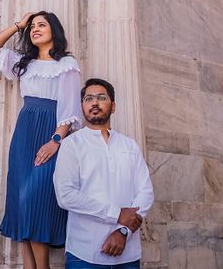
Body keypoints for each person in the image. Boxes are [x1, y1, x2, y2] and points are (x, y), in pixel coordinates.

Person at [0, 11, 83, 269]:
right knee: (21, 202)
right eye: (32, 27)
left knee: (36, 199)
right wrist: (19, 24)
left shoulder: (67, 64)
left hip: (50, 133)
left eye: (42, 25)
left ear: (55, 31)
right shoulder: (23, 63)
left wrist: (55, 140)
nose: (35, 29)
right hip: (25, 133)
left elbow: (71, 109)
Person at [54, 78, 154, 268]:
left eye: (101, 97)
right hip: (84, 254)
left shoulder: (129, 145)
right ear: (82, 106)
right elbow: (65, 195)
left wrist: (123, 230)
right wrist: (116, 214)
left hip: (128, 254)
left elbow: (145, 192)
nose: (94, 103)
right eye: (88, 99)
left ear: (113, 106)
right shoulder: (72, 144)